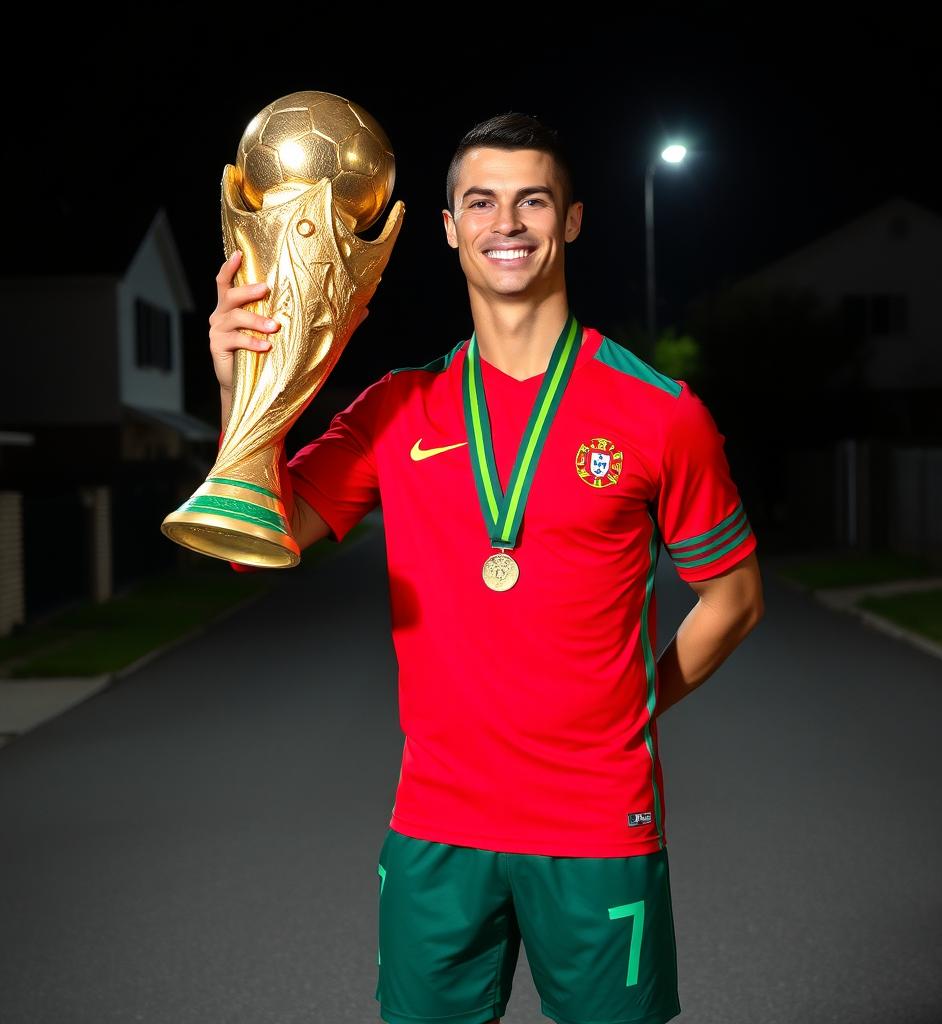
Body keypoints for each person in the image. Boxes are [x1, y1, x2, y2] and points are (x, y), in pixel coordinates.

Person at [208, 112, 764, 1024]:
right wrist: (240, 384)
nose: (507, 222)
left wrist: (638, 697)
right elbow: (262, 532)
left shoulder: (660, 413)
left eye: (531, 200)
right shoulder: (396, 408)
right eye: (482, 202)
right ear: (449, 227)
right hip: (436, 829)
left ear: (571, 220)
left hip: (597, 826)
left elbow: (734, 600)